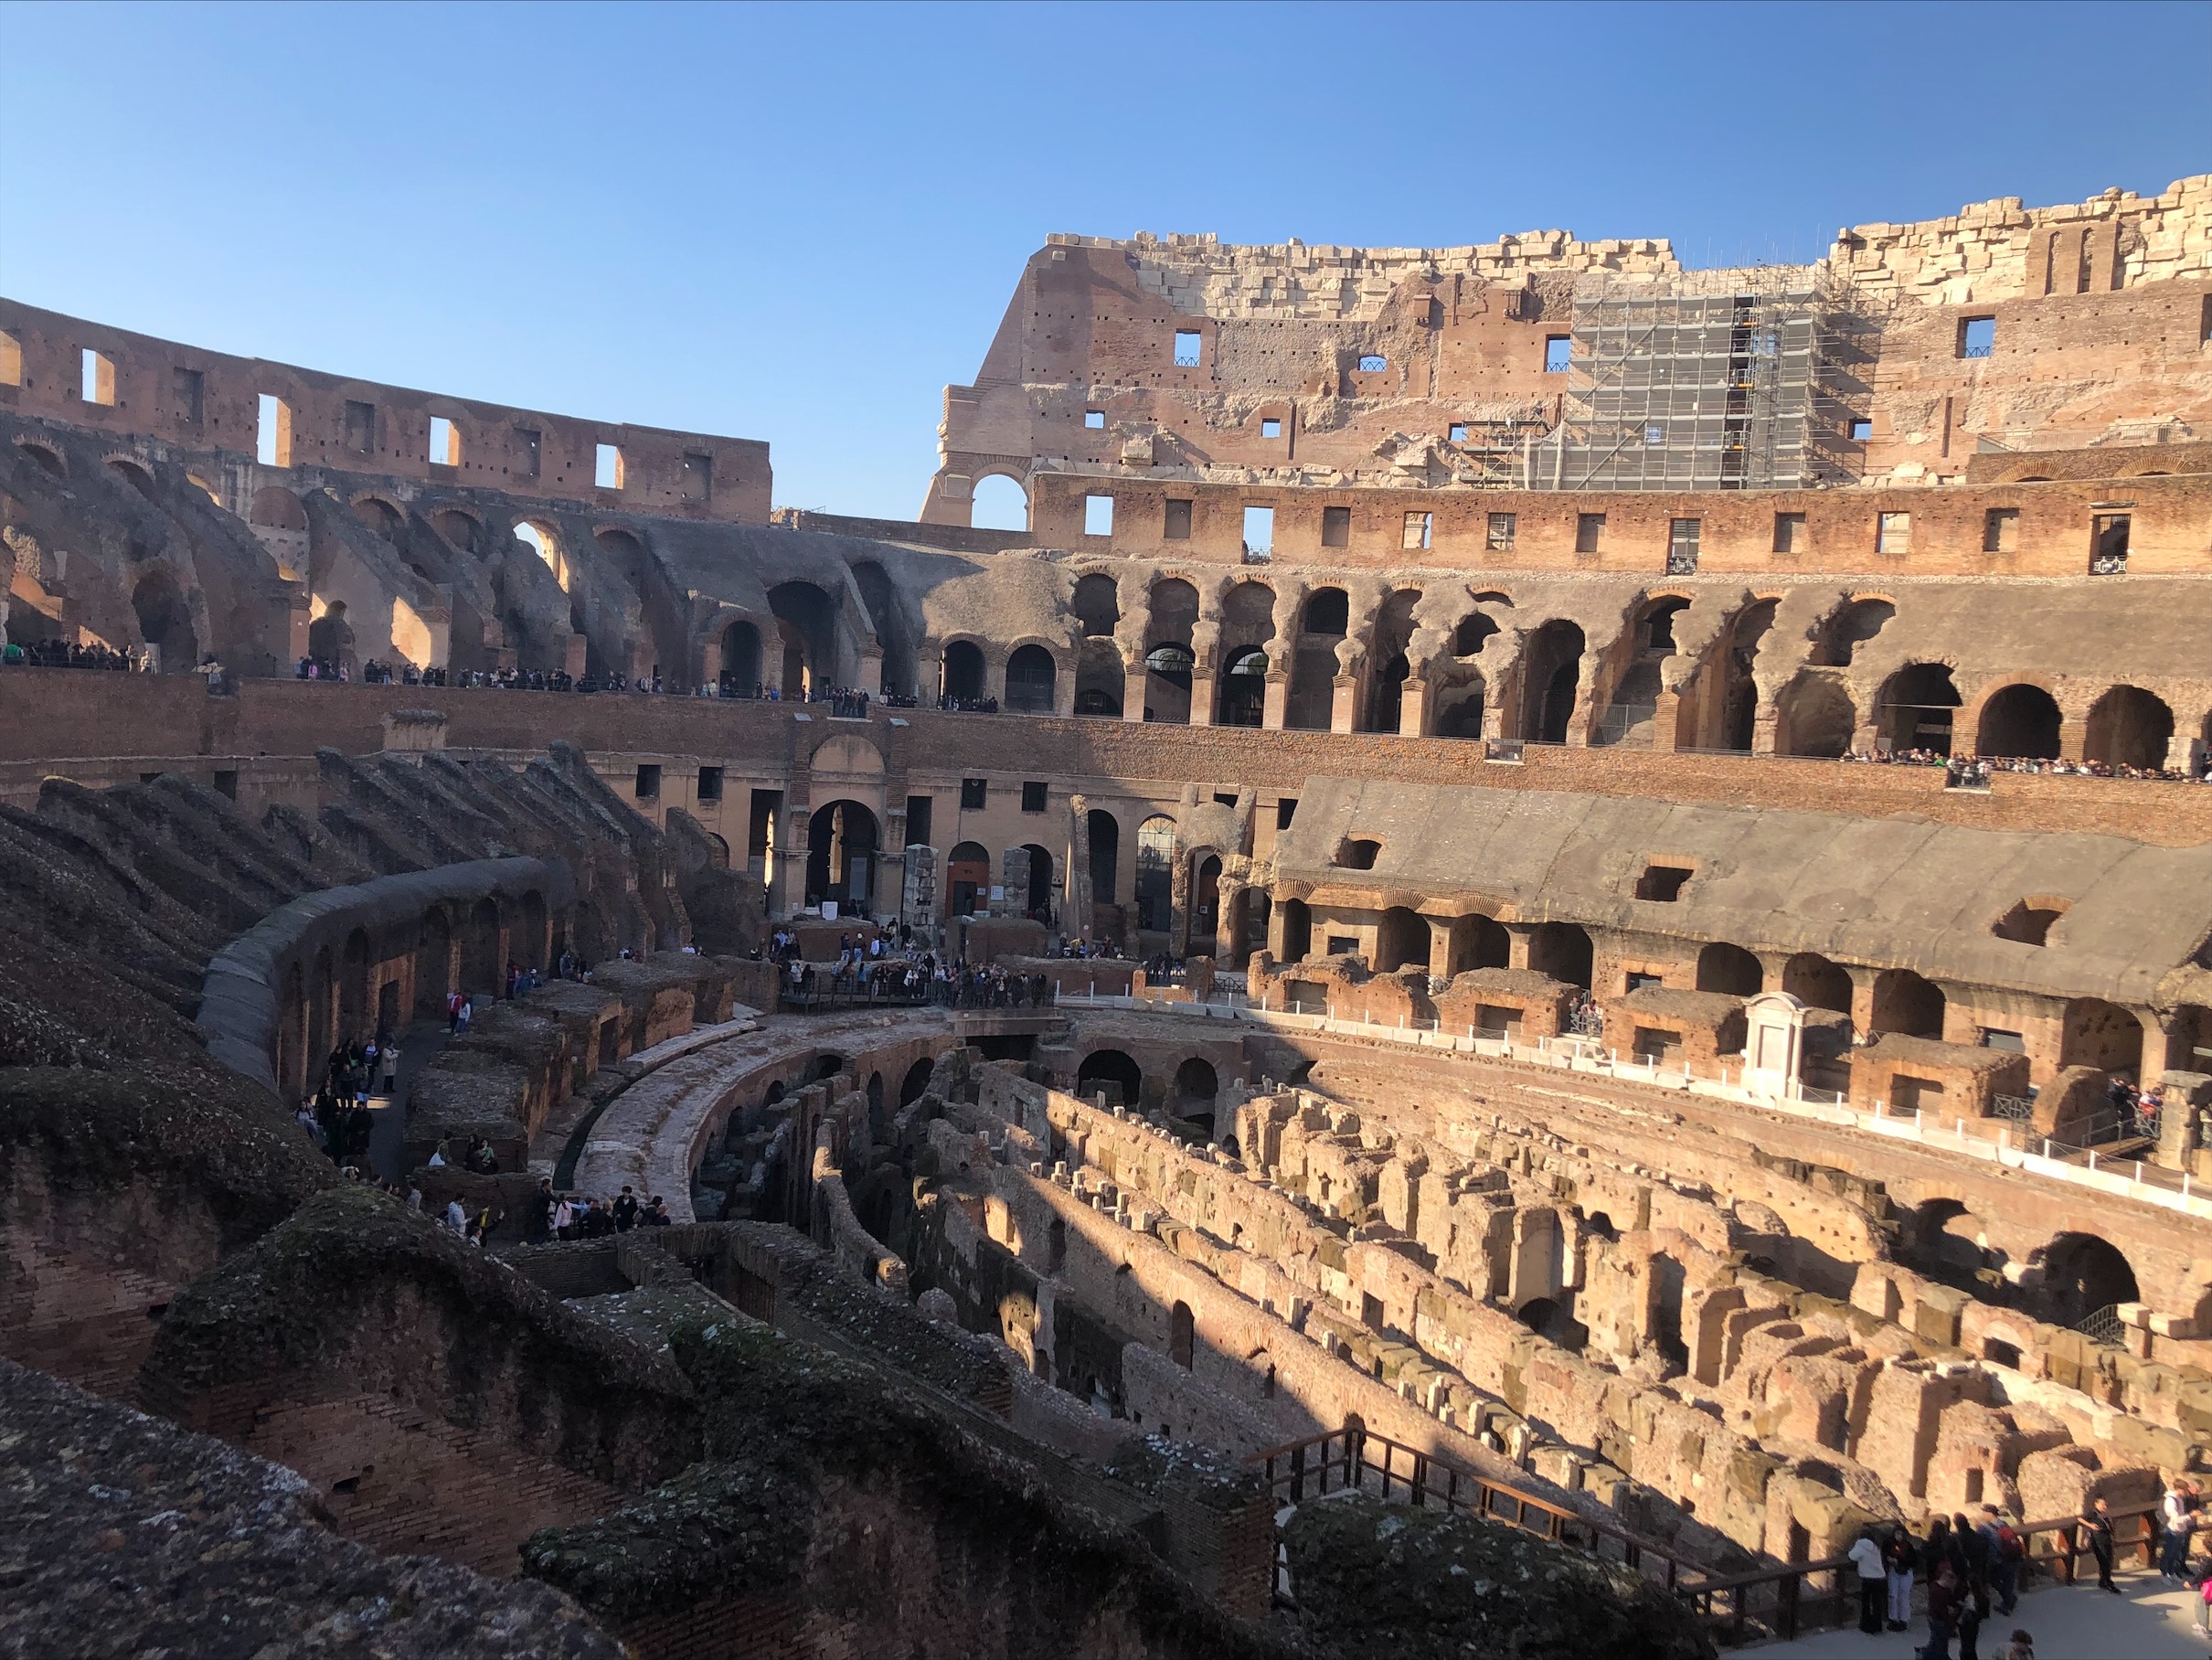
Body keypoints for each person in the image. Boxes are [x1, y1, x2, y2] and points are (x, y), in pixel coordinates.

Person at [1850, 1529, 1888, 1633]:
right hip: (1879, 1577)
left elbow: (1852, 1556)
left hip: (1868, 1578)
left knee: (1866, 1603)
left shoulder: (1860, 1545)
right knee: (1876, 1603)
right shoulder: (1875, 1546)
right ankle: (1877, 1626)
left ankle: (1866, 1625)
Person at [2081, 1497, 2119, 1593]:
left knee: (2108, 1560)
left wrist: (2113, 1537)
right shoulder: (2092, 1513)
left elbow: (2110, 1526)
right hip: (2098, 1541)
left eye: (2105, 1505)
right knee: (2104, 1561)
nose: (2105, 1507)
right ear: (2096, 1504)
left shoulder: (2105, 1514)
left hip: (2107, 1539)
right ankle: (2108, 1582)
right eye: (2103, 1505)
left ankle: (2103, 1581)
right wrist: (2091, 1525)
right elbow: (2080, 1519)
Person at [1923, 1560, 1959, 1660]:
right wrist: (1950, 1612)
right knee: (1939, 1644)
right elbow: (1939, 1609)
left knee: (1937, 1643)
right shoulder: (1938, 1591)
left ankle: (1925, 1655)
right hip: (1939, 1620)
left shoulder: (1936, 1586)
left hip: (1937, 1619)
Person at [1887, 1525, 1918, 1631]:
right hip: (1894, 1571)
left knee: (1904, 1596)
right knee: (1893, 1595)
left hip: (1906, 1572)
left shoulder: (1908, 1546)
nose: (1899, 1536)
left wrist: (1899, 1561)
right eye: (1897, 1534)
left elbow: (1913, 1561)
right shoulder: (1890, 1544)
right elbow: (1885, 1555)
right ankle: (1893, 1618)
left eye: (1901, 1534)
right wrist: (1889, 1559)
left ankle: (1904, 1619)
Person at [2164, 1477, 2196, 1580]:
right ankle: (2165, 1575)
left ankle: (2173, 1573)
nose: (2187, 1492)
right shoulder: (2171, 1501)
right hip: (2173, 1531)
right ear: (2179, 1489)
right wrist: (2190, 1516)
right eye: (2185, 1490)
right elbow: (2176, 1519)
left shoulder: (2180, 1500)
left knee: (2176, 1554)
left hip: (2180, 1530)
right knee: (2169, 1554)